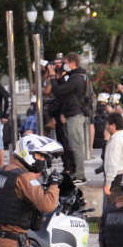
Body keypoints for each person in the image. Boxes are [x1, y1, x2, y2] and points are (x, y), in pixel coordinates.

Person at [49, 52, 91, 182]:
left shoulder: (77, 78)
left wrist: (51, 75)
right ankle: (78, 173)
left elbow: (59, 91)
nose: (64, 66)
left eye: (65, 63)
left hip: (76, 115)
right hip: (73, 113)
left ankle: (80, 175)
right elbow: (65, 91)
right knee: (74, 144)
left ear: (72, 64)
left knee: (76, 145)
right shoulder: (76, 76)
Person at [103, 113, 123, 200]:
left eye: (107, 124)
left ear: (113, 125)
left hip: (117, 178)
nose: (106, 126)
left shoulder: (116, 140)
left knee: (115, 205)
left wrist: (108, 183)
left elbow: (113, 163)